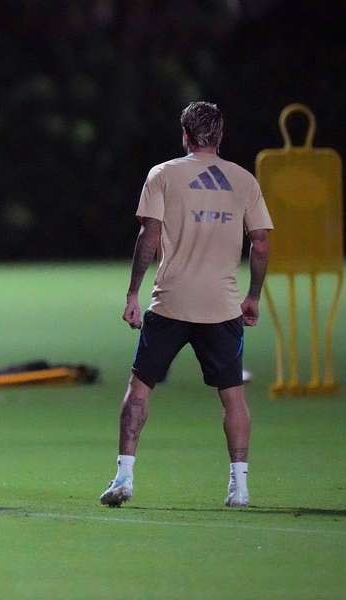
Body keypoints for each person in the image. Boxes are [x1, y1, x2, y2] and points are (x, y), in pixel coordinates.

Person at [99, 102, 272, 508]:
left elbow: (149, 238)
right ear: (220, 135)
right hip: (223, 307)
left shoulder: (162, 175)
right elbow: (261, 242)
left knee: (139, 390)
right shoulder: (244, 180)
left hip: (171, 302)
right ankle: (240, 487)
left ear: (185, 135)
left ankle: (124, 477)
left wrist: (132, 293)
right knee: (233, 397)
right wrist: (254, 296)